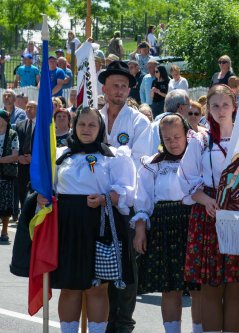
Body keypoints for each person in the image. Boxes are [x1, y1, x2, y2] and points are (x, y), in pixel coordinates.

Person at [40, 106, 135, 333]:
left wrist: (106, 198)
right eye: (82, 124)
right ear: (74, 126)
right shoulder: (61, 155)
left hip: (98, 224)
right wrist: (42, 198)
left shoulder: (113, 156)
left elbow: (128, 192)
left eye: (92, 124)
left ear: (100, 127)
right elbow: (48, 187)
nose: (86, 129)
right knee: (70, 287)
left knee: (97, 287)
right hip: (67, 226)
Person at [178, 84, 239, 333]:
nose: (220, 110)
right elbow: (184, 179)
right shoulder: (200, 140)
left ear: (234, 106)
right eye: (214, 106)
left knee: (236, 284)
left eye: (225, 105)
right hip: (210, 214)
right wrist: (205, 200)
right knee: (211, 285)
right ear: (208, 109)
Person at [132, 114, 202, 333]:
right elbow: (143, 199)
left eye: (177, 136)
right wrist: (140, 229)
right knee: (170, 288)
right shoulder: (152, 164)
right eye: (168, 137)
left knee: (198, 287)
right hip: (164, 224)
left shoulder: (199, 161)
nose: (173, 142)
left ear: (187, 135)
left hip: (194, 223)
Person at [98, 60, 152, 333]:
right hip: (96, 202)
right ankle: (101, 321)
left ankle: (122, 324)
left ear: (129, 89)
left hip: (126, 204)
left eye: (124, 85)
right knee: (98, 264)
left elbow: (140, 165)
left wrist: (121, 195)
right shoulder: (94, 117)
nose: (119, 90)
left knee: (126, 267)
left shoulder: (139, 121)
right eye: (114, 85)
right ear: (104, 89)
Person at [0, 110, 19, 242]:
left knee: (6, 204)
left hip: (6, 174)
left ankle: (5, 231)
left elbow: (15, 156)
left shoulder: (12, 134)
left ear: (6, 120)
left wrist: (0, 160)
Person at [16, 101, 37, 210]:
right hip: (22, 164)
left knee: (34, 193)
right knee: (22, 192)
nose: (28, 109)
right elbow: (16, 143)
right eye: (27, 107)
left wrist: (34, 159)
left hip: (35, 165)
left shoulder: (43, 126)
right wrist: (18, 157)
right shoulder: (20, 124)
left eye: (32, 107)